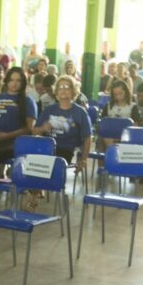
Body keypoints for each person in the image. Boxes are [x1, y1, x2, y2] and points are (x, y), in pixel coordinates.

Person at [26, 74, 92, 210]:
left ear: (74, 91)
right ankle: (36, 188)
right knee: (33, 159)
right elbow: (34, 131)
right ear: (55, 91)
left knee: (47, 162)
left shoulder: (80, 113)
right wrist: (43, 128)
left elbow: (87, 138)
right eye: (60, 87)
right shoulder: (49, 110)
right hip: (46, 147)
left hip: (64, 149)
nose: (63, 90)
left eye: (67, 87)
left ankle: (33, 195)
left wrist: (83, 159)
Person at [0, 67, 37, 169]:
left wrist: (7, 136)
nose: (14, 83)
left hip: (14, 141)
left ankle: (11, 173)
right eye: (11, 80)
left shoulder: (28, 101)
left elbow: (29, 128)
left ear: (23, 82)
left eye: (18, 80)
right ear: (7, 81)